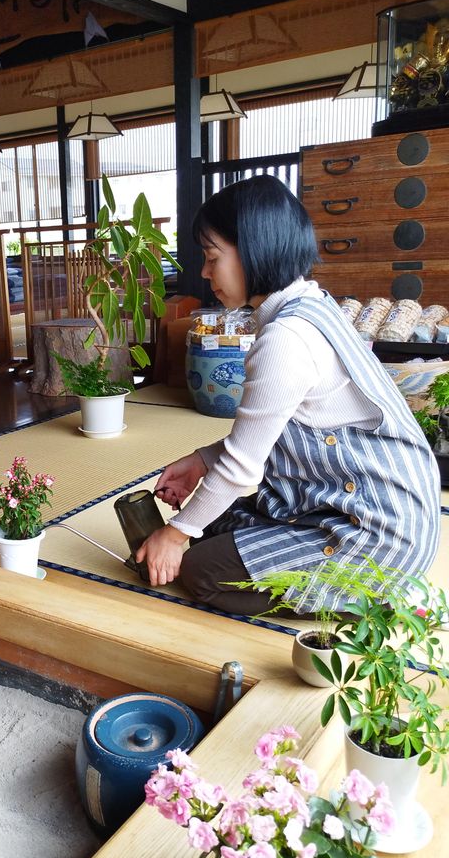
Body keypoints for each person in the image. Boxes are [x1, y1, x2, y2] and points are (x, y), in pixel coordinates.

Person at [135, 175, 441, 615]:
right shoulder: (311, 304)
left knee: (201, 570)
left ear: (254, 250)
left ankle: (368, 598)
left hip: (378, 530)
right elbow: (270, 433)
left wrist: (174, 535)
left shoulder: (286, 338)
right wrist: (201, 461)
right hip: (356, 502)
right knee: (216, 525)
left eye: (212, 257)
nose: (204, 272)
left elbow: (243, 466)